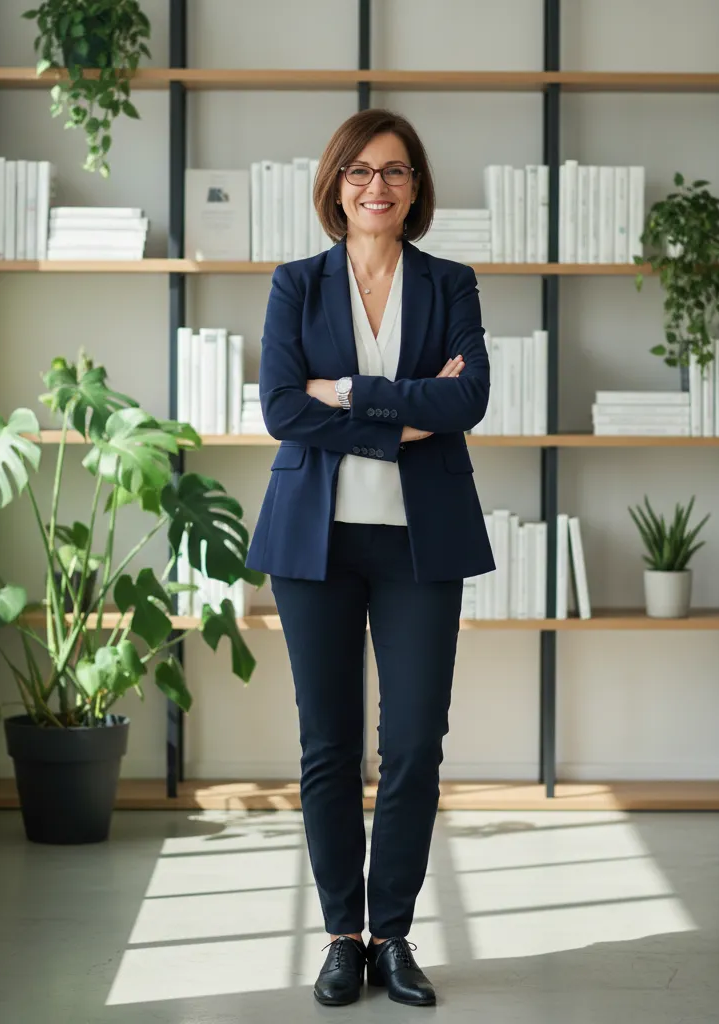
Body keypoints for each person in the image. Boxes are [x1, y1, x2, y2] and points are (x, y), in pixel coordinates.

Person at [245, 108, 495, 1008]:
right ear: (335, 185)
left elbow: (468, 399)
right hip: (314, 541)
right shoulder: (296, 285)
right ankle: (341, 938)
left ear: (416, 187)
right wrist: (403, 419)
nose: (375, 187)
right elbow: (282, 408)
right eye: (358, 172)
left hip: (421, 543)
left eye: (393, 171)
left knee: (416, 742)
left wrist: (349, 395)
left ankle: (392, 934)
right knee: (328, 746)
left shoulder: (451, 282)